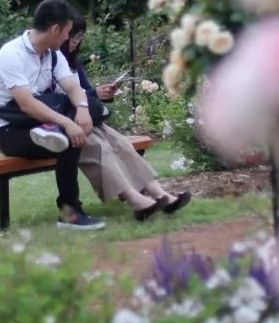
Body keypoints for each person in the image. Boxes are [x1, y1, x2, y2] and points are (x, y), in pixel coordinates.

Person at [60, 12, 192, 221]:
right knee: (99, 147)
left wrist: (100, 94)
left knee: (120, 143)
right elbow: (60, 98)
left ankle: (159, 194)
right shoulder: (50, 60)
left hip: (86, 118)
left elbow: (85, 92)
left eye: (80, 37)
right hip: (67, 123)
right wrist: (94, 95)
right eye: (73, 36)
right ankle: (135, 200)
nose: (76, 42)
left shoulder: (73, 62)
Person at [0, 0, 104, 230]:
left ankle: (52, 130)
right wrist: (67, 123)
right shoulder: (12, 54)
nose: (68, 39)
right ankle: (70, 214)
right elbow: (27, 104)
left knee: (94, 106)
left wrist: (82, 110)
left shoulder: (53, 54)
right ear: (55, 29)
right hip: (12, 131)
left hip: (44, 120)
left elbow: (72, 87)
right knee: (70, 137)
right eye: (67, 33)